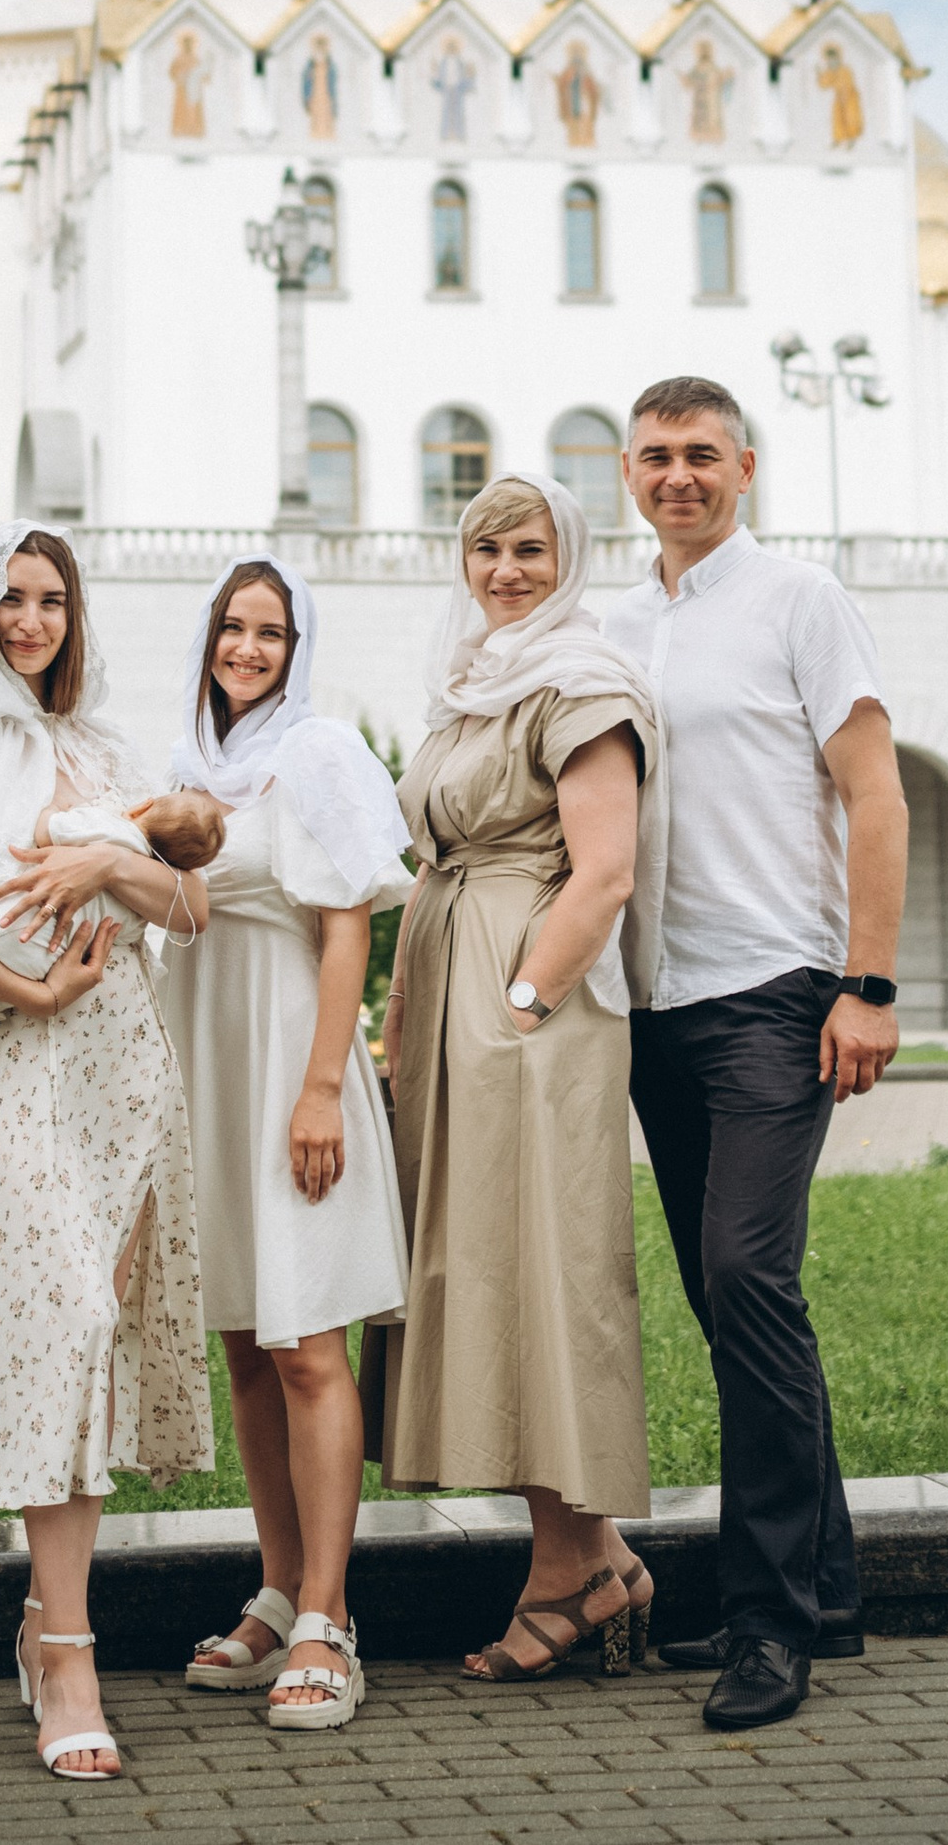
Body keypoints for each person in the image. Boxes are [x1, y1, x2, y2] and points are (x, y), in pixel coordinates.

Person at [0, 522, 214, 1782]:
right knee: (64, 1317)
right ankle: (65, 1649)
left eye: (51, 598)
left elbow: (192, 901)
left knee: (93, 1332)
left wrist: (110, 858)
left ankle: (50, 1620)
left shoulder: (107, 746)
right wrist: (22, 996)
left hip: (120, 1063)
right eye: (8, 598)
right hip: (15, 1056)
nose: (29, 620)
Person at [600, 375, 908, 1729]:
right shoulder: (612, 624)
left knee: (746, 1273)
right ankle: (825, 1586)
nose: (679, 474)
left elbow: (875, 792)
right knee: (734, 1299)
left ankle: (767, 1620)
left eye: (702, 453)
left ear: (746, 467)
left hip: (775, 991)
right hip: (654, 1006)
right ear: (627, 472)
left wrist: (867, 984)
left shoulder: (800, 599)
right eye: (656, 455)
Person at [375, 473, 657, 1679]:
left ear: (569, 558)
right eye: (485, 548)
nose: (504, 570)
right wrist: (413, 1011)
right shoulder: (472, 681)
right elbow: (431, 860)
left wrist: (524, 1000)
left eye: (529, 549)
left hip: (527, 1016)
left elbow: (605, 870)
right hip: (457, 996)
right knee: (488, 1266)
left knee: (542, 1268)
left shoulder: (581, 683)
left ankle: (568, 1572)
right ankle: (595, 1562)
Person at [153, 552, 413, 1731]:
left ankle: (328, 1615)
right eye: (232, 627)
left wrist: (319, 1090)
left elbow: (347, 926)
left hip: (290, 1059)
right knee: (247, 1347)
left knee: (308, 1343)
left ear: (297, 649)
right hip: (208, 1061)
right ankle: (272, 1588)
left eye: (270, 632)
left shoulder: (317, 753)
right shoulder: (184, 769)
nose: (246, 648)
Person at [0, 787, 226, 1106]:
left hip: (14, 920)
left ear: (142, 807)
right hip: (53, 959)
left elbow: (45, 832)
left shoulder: (105, 825)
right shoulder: (146, 888)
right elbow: (122, 934)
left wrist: (54, 810)